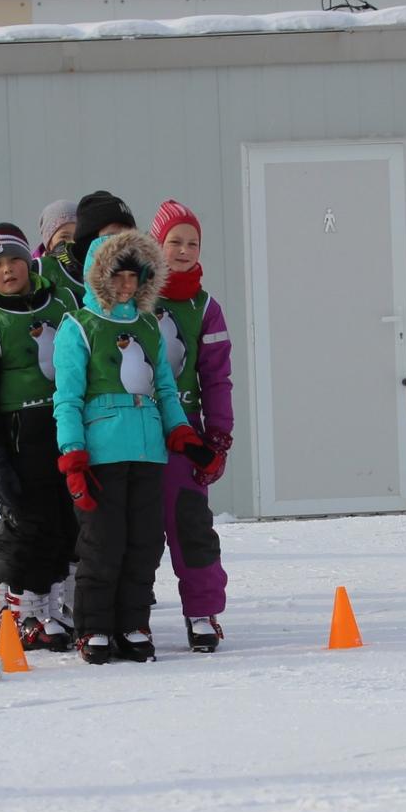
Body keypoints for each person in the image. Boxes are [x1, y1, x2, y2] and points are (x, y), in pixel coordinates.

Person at [51, 229, 213, 663]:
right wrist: (73, 455)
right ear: (99, 275)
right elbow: (66, 397)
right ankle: (95, 627)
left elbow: (164, 386)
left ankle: (132, 622)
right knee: (103, 542)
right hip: (102, 453)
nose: (126, 286)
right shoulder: (79, 326)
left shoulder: (147, 324)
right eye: (118, 277)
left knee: (144, 542)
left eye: (135, 278)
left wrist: (181, 433)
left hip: (148, 451)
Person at [0, 221, 79, 650]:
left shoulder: (62, 304)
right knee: (32, 522)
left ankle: (52, 609)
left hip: (66, 430)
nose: (7, 270)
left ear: (30, 261)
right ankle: (20, 611)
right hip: (18, 438)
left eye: (14, 259)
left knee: (67, 522)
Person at [150, 199, 236, 651]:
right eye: (174, 242)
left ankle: (202, 612)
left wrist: (218, 437)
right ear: (156, 244)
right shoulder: (135, 298)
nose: (183, 250)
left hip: (186, 436)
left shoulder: (205, 308)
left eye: (192, 243)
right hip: (136, 434)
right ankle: (129, 614)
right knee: (136, 531)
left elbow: (216, 377)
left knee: (190, 526)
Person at [35, 199, 81, 297]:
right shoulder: (36, 271)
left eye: (77, 237)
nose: (72, 242)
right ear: (49, 242)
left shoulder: (90, 268)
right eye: (64, 237)